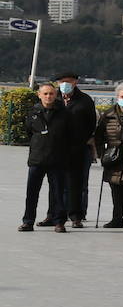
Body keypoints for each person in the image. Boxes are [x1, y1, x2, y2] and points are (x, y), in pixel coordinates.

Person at [18, 83, 72, 232]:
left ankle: (59, 222)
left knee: (58, 193)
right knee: (31, 193)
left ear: (56, 95)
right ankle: (28, 221)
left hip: (57, 159)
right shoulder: (33, 112)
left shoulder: (64, 113)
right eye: (45, 93)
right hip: (37, 159)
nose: (48, 96)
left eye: (51, 93)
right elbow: (29, 131)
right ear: (39, 95)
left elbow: (70, 135)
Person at [53, 72, 96, 229]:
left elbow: (92, 123)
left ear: (75, 82)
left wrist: (82, 140)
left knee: (77, 183)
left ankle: (76, 216)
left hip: (78, 148)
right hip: (56, 148)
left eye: (68, 81)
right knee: (56, 183)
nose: (65, 84)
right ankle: (54, 215)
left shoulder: (85, 100)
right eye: (61, 82)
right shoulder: (54, 98)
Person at [98, 86, 123, 228]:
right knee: (115, 189)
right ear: (117, 97)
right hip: (112, 156)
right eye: (122, 97)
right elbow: (99, 136)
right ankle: (116, 218)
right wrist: (102, 154)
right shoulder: (108, 114)